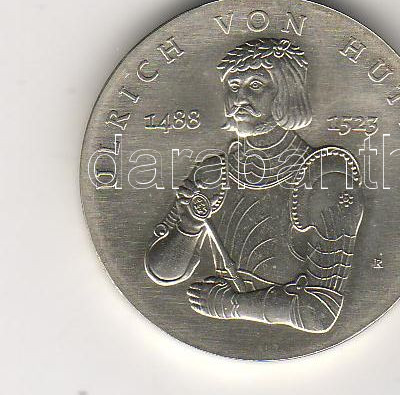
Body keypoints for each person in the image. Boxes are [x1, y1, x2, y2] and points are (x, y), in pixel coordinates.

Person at [145, 38, 363, 333]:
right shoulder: (213, 173)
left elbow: (320, 313)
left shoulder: (325, 180)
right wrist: (189, 224)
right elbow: (161, 273)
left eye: (256, 85)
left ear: (287, 92)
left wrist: (230, 305)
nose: (240, 98)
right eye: (233, 86)